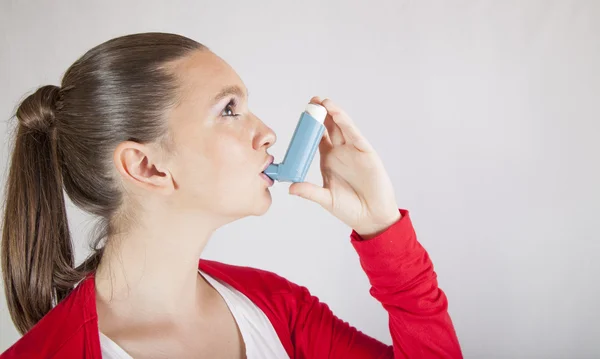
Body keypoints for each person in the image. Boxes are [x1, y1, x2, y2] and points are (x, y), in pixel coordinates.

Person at [0, 32, 462, 358]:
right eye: (229, 109)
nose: (267, 133)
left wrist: (381, 227)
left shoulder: (278, 307)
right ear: (147, 166)